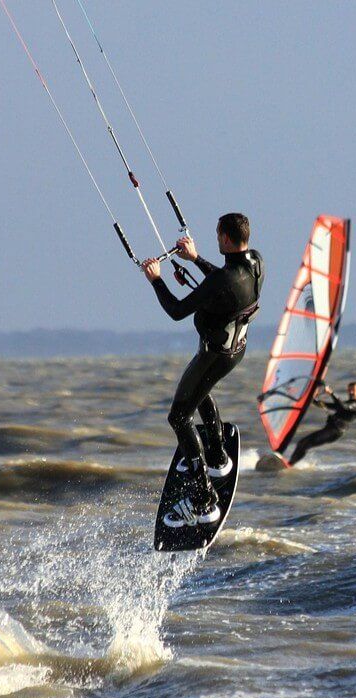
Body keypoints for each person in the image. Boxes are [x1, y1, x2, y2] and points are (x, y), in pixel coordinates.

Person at [142, 213, 264, 527]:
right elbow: (227, 283)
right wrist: (195, 259)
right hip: (235, 349)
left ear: (225, 238)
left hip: (215, 355)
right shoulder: (254, 262)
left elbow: (177, 310)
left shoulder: (224, 279)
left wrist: (156, 280)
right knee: (201, 392)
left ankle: (203, 500)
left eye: (216, 234)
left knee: (179, 417)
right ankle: (218, 458)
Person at [288, 381, 356, 466]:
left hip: (334, 432)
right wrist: (311, 397)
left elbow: (343, 406)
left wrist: (331, 393)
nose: (351, 392)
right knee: (301, 443)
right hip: (329, 430)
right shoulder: (345, 404)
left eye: (353, 390)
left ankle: (290, 464)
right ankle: (290, 463)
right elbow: (323, 404)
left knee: (306, 444)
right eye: (349, 390)